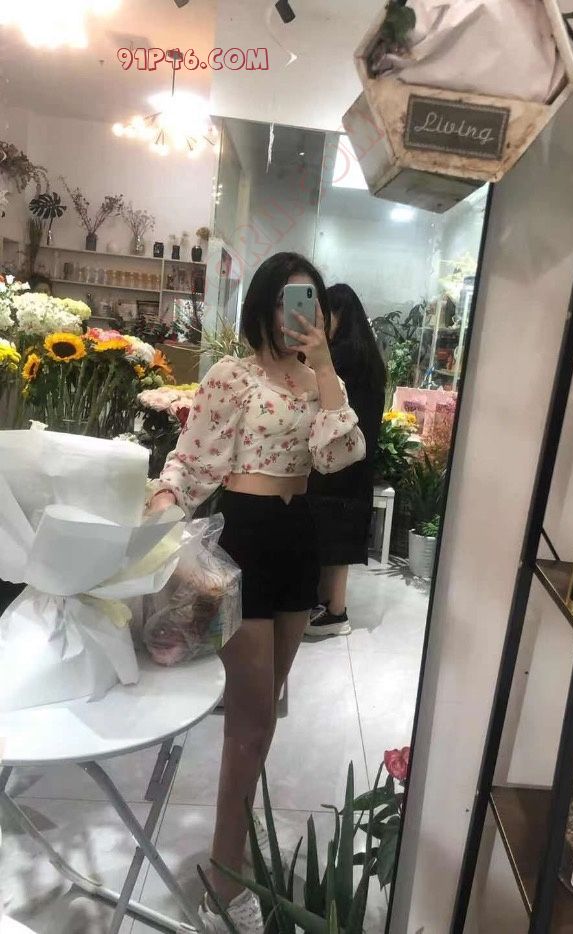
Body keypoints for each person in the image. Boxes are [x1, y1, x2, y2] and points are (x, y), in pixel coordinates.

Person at [148, 252, 366, 934]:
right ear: (264, 307)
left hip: (298, 539)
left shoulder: (319, 381)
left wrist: (325, 368)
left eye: (310, 302)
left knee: (264, 712)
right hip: (245, 535)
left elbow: (339, 456)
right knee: (250, 720)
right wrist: (164, 500)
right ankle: (222, 877)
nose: (300, 315)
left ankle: (235, 835)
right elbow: (193, 457)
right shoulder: (231, 375)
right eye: (286, 301)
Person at [305, 284, 386, 636]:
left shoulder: (339, 359)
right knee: (337, 541)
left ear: (338, 315)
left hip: (338, 461)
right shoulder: (370, 359)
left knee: (330, 537)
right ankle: (330, 607)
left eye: (326, 315)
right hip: (358, 461)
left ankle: (336, 614)